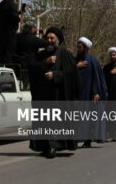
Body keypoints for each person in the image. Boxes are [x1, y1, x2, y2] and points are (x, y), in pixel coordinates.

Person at [28, 27, 82, 158]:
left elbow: (72, 76)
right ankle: (44, 146)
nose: (49, 40)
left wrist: (56, 75)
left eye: (52, 38)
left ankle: (53, 146)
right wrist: (45, 63)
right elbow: (32, 70)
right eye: (47, 38)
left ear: (58, 39)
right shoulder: (41, 55)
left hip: (59, 97)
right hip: (42, 96)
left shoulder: (65, 55)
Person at [75, 37, 108, 147]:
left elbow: (97, 78)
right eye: (77, 47)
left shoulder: (93, 61)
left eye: (80, 47)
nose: (78, 49)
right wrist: (76, 66)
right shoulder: (76, 60)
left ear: (85, 48)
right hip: (77, 94)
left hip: (89, 94)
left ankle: (87, 140)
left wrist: (96, 92)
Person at [0, 0, 24, 66]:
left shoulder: (2, 4)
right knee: (10, 51)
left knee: (1, 51)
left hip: (2, 31)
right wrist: (19, 19)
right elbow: (14, 18)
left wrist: (19, 12)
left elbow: (7, 15)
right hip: (10, 32)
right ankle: (7, 67)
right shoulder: (12, 4)